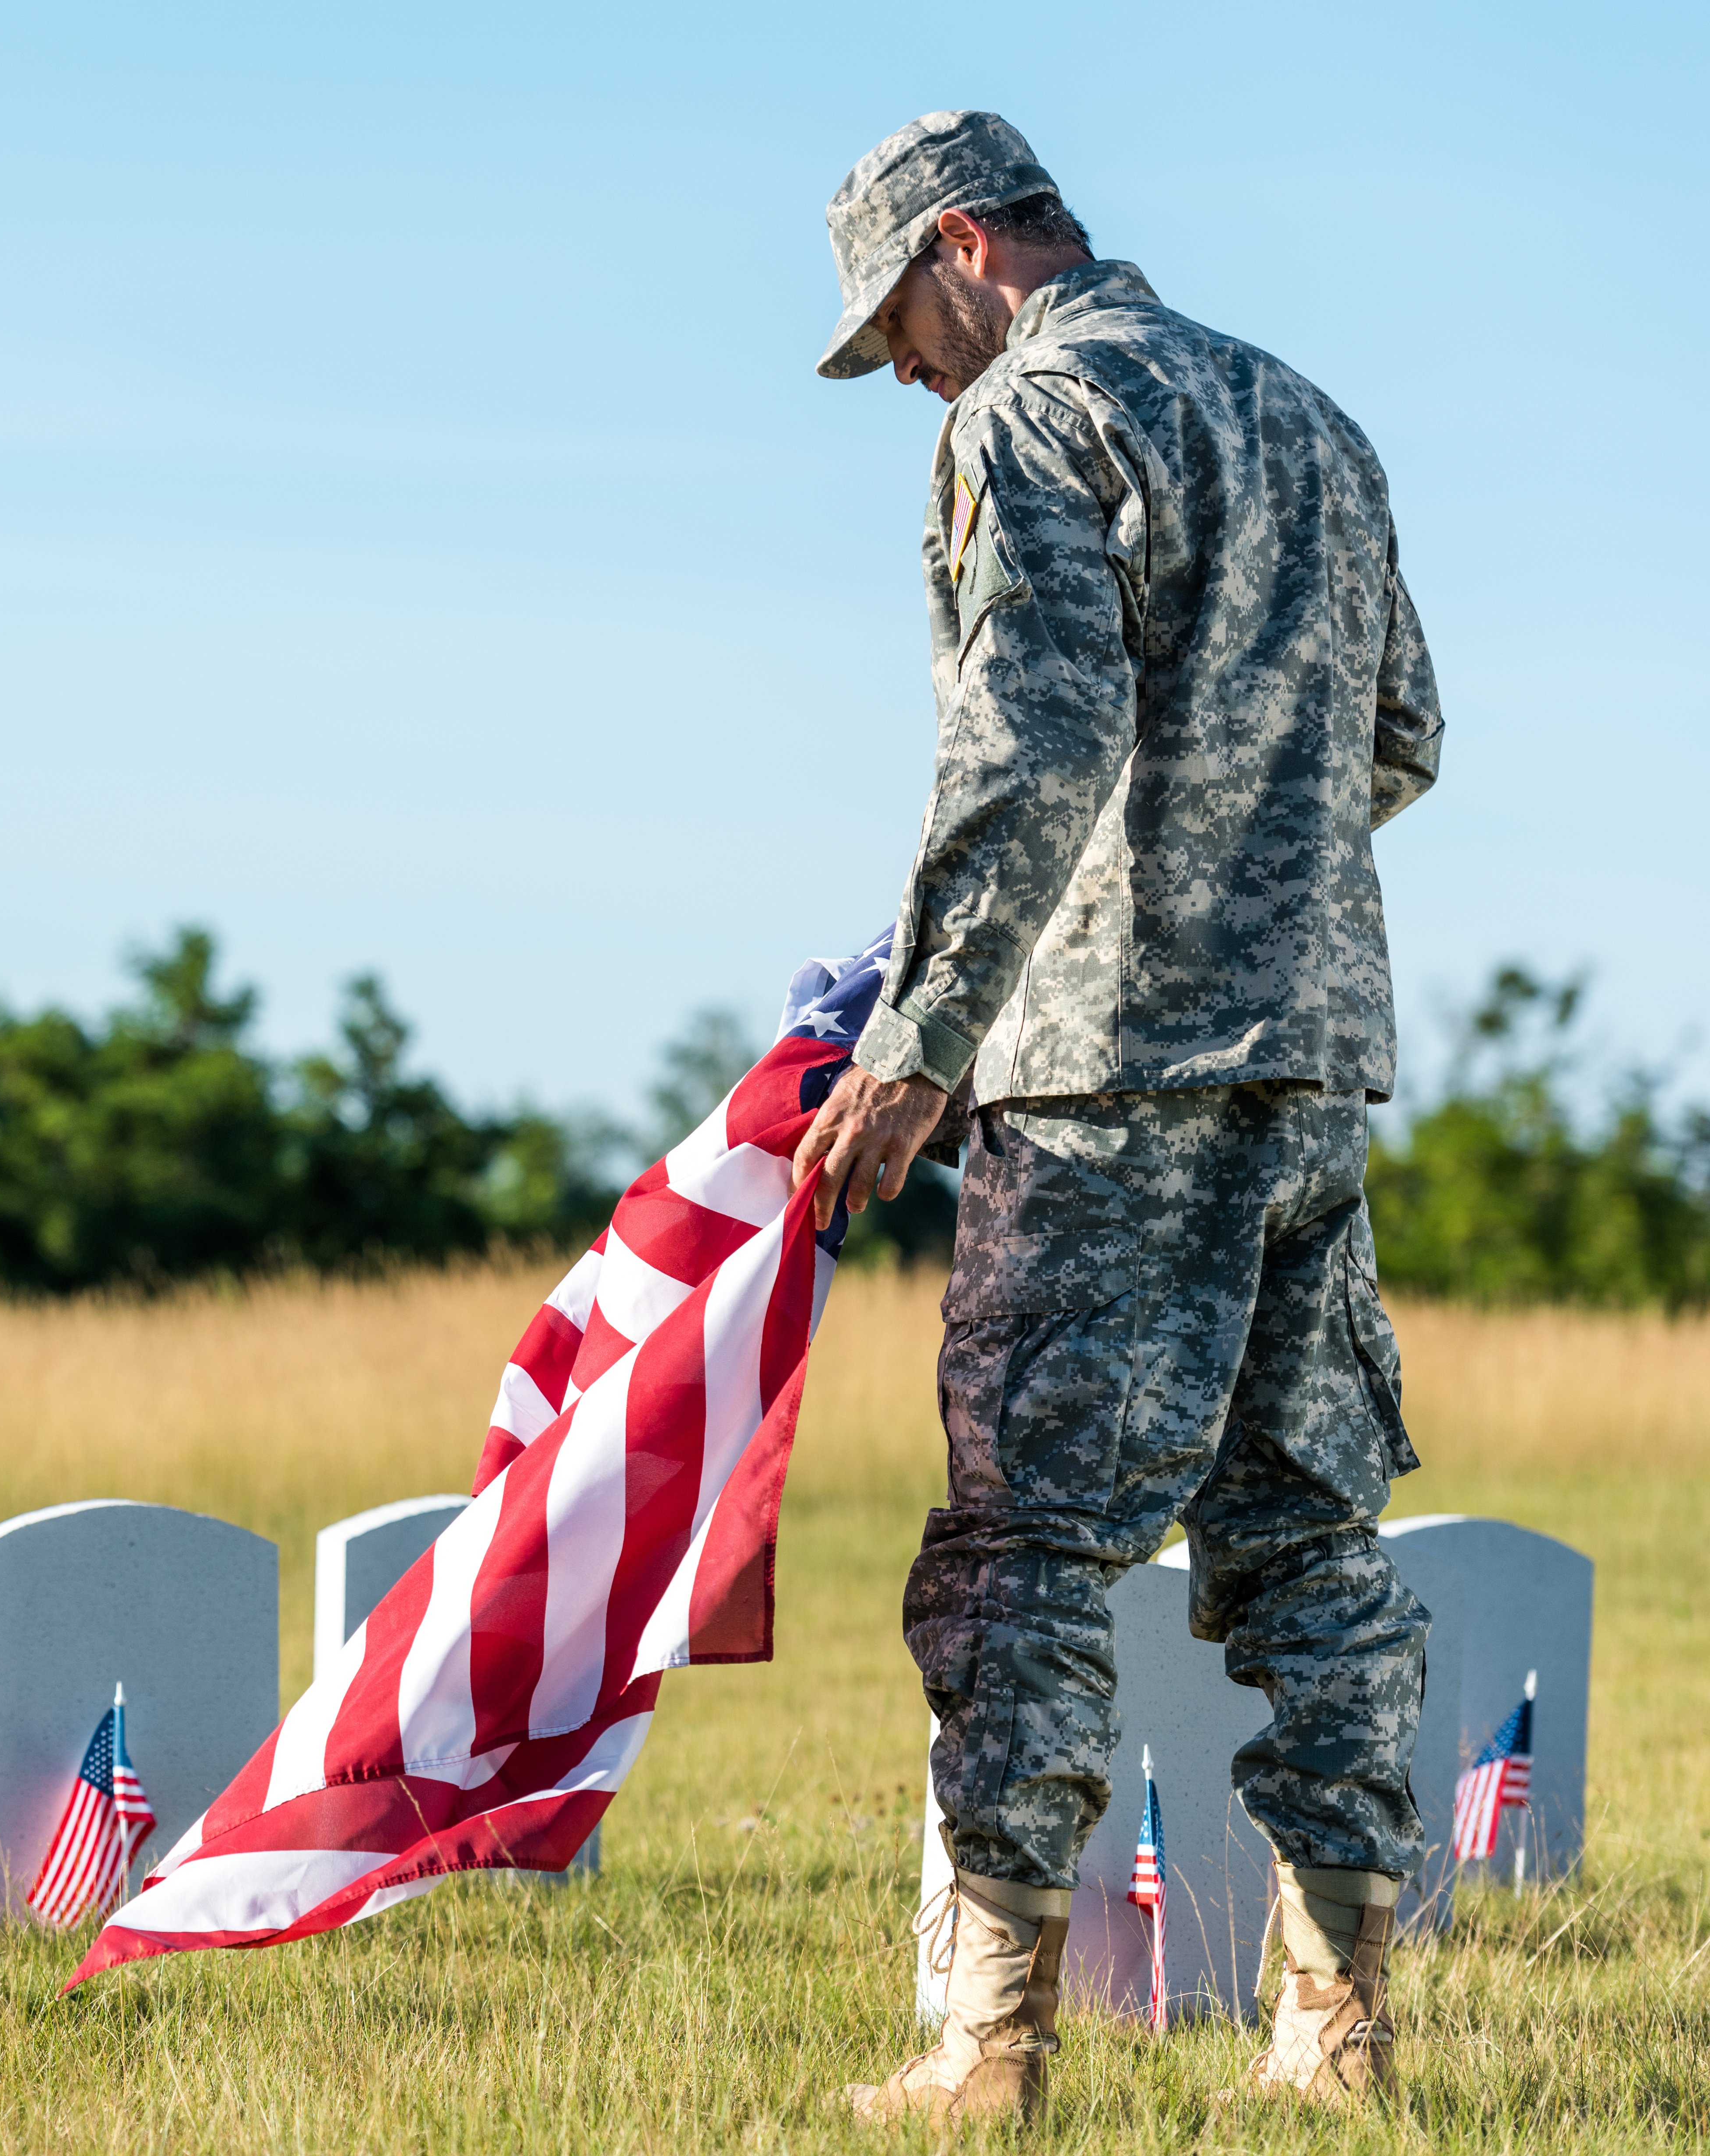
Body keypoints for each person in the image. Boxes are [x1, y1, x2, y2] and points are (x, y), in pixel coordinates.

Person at [789, 111, 1445, 2122]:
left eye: (895, 317)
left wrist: (919, 1039)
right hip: (1310, 1071)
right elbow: (1402, 735)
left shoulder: (1027, 421)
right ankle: (1332, 2032)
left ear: (964, 245)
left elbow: (1033, 738)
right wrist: (1259, 871)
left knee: (1024, 1554)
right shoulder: (1310, 422)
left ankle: (984, 2043)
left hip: (1094, 1080)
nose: (897, 365)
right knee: (1313, 1546)